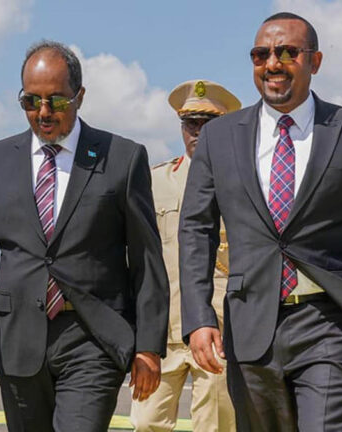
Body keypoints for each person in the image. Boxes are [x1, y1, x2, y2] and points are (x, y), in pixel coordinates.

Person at [179, 12, 342, 432]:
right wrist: (198, 316)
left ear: (314, 61)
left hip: (329, 323)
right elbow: (196, 229)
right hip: (249, 325)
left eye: (286, 52)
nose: (272, 63)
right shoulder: (219, 137)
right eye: (261, 54)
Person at [0, 40, 169, 432]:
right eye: (31, 101)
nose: (43, 113)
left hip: (93, 337)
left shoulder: (122, 159)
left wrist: (148, 345)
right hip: (17, 338)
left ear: (79, 97)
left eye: (56, 101)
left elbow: (146, 259)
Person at [130, 80, 240, 432]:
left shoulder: (241, 185)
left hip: (218, 330)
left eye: (207, 125)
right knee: (146, 424)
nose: (197, 132)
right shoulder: (153, 182)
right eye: (190, 123)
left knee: (216, 426)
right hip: (162, 332)